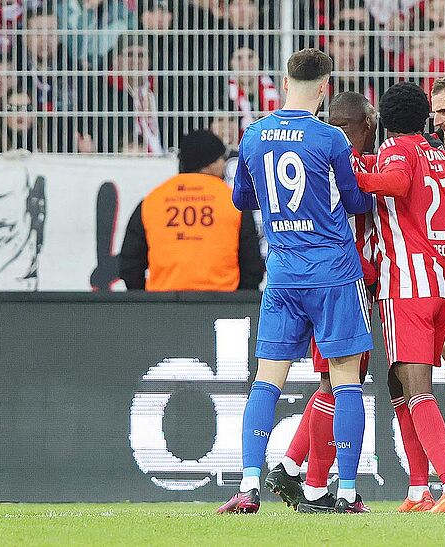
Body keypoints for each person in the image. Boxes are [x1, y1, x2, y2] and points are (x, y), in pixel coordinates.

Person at [217, 49, 374, 515]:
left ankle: (248, 485)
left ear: (284, 82)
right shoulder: (331, 138)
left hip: (283, 274)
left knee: (266, 381)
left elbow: (241, 199)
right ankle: (346, 493)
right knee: (345, 381)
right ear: (325, 88)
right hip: (333, 274)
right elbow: (355, 201)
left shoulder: (254, 135)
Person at [352, 82, 445, 514]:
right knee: (398, 383)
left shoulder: (395, 148)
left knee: (417, 388)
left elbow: (398, 181)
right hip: (443, 284)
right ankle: (419, 490)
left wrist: (353, 178)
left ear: (384, 120)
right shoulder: (439, 154)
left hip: (407, 285)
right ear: (424, 117)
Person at [263, 91, 379, 514]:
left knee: (331, 383)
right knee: (340, 384)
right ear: (367, 125)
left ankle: (292, 466)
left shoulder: (322, 160)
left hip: (314, 278)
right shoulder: (353, 165)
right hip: (343, 282)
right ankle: (313, 484)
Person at [118, 129, 263, 291]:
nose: (223, 164)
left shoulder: (152, 201)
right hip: (222, 300)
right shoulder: (234, 203)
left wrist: (147, 300)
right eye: (221, 159)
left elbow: (130, 265)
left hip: (163, 300)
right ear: (210, 163)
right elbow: (252, 265)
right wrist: (237, 299)